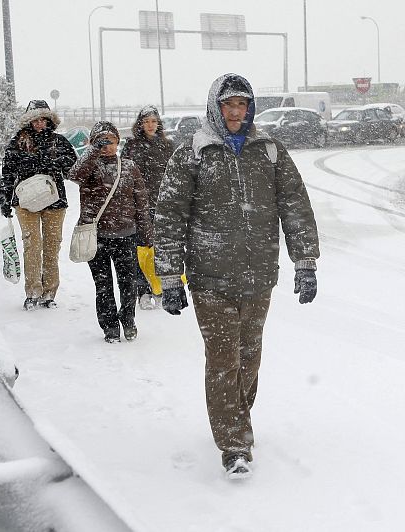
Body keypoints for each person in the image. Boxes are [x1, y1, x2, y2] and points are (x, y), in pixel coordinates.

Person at [154, 73, 320, 479]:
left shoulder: (270, 151)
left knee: (249, 358)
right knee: (224, 358)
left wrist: (306, 262)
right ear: (215, 107)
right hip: (210, 277)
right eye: (229, 105)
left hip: (259, 274)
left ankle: (236, 415)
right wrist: (171, 277)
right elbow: (169, 217)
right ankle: (234, 445)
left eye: (242, 105)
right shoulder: (192, 154)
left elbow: (295, 206)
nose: (236, 112)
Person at [68, 121, 152, 343]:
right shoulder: (90, 167)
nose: (107, 146)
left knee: (128, 283)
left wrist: (145, 232)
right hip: (97, 237)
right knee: (103, 286)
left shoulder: (129, 166)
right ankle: (110, 326)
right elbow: (74, 175)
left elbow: (141, 201)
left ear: (118, 142)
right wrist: (93, 151)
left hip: (126, 235)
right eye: (101, 141)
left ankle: (128, 319)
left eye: (111, 141)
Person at [0, 100, 77, 310]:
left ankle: (49, 293)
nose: (39, 123)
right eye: (35, 119)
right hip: (25, 203)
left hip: (54, 201)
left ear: (50, 120)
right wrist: (5, 198)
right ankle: (32, 292)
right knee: (32, 247)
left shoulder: (59, 142)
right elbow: (7, 172)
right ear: (29, 120)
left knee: (52, 247)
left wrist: (58, 162)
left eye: (43, 119)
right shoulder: (17, 142)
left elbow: (73, 169)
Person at [120, 105, 174, 310]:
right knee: (140, 247)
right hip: (138, 204)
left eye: (154, 121)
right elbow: (125, 175)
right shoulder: (132, 146)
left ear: (158, 123)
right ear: (140, 124)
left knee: (161, 247)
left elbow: (174, 175)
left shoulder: (167, 145)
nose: (150, 125)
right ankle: (142, 290)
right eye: (146, 121)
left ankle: (159, 288)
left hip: (162, 203)